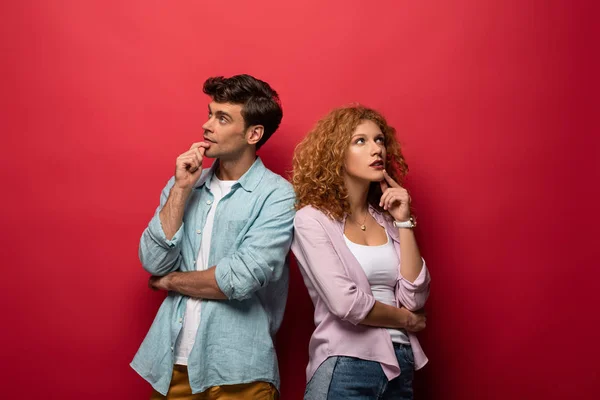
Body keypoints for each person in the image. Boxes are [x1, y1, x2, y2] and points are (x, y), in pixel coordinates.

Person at [131, 74, 296, 399]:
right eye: (210, 114)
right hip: (171, 364)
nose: (207, 126)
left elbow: (240, 279)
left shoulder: (277, 196)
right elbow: (152, 260)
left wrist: (170, 282)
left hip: (239, 369)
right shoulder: (185, 184)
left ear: (253, 133)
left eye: (222, 118)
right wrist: (181, 189)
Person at [291, 105, 431, 399]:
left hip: (400, 362)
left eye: (379, 140)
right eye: (361, 141)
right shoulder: (312, 220)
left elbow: (414, 296)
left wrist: (404, 221)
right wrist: (406, 321)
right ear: (336, 153)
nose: (376, 149)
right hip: (346, 364)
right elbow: (346, 304)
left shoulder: (387, 219)